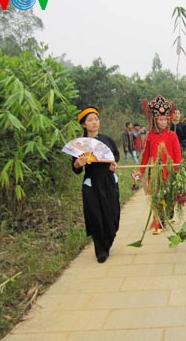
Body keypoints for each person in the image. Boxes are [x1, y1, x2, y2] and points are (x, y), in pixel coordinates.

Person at [72, 107, 120, 263]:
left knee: (112, 216)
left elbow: (115, 158)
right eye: (90, 120)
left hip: (109, 182)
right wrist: (78, 164)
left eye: (96, 119)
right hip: (92, 184)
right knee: (96, 216)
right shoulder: (80, 144)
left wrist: (113, 166)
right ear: (84, 124)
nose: (94, 122)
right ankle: (100, 249)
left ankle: (108, 239)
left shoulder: (107, 140)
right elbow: (75, 169)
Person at [139, 95, 182, 234]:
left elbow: (177, 155)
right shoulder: (150, 135)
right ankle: (160, 222)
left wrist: (176, 170)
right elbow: (146, 154)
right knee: (157, 196)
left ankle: (169, 215)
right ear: (155, 120)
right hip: (155, 171)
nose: (163, 122)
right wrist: (142, 170)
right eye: (160, 119)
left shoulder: (172, 135)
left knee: (169, 195)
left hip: (169, 171)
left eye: (165, 119)